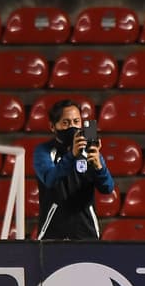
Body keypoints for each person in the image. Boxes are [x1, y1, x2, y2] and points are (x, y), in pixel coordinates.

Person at [34, 99, 114, 240]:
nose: (72, 127)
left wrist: (99, 168)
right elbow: (50, 180)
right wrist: (72, 155)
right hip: (52, 233)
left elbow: (107, 188)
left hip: (86, 232)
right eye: (66, 123)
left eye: (76, 122)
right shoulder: (44, 151)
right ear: (53, 126)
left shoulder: (90, 151)